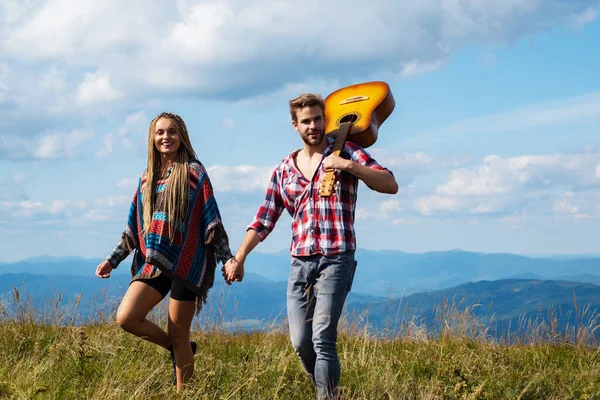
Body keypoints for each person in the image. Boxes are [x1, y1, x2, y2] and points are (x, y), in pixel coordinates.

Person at [223, 93, 398, 399]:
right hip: (300, 262)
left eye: (318, 118)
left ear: (325, 119)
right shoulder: (283, 170)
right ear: (295, 125)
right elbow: (264, 219)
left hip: (337, 257)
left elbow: (389, 183)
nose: (314, 126)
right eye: (306, 121)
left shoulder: (348, 152)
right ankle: (331, 391)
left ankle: (327, 397)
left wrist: (348, 166)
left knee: (322, 338)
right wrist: (239, 258)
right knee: (300, 341)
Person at [95, 112, 233, 391]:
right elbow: (134, 227)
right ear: (152, 138)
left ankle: (184, 393)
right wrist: (113, 260)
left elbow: (211, 220)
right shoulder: (147, 178)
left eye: (171, 132)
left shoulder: (194, 173)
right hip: (154, 262)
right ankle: (179, 348)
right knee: (127, 317)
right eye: (159, 132)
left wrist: (227, 258)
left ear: (181, 136)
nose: (165, 137)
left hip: (188, 262)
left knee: (179, 333)